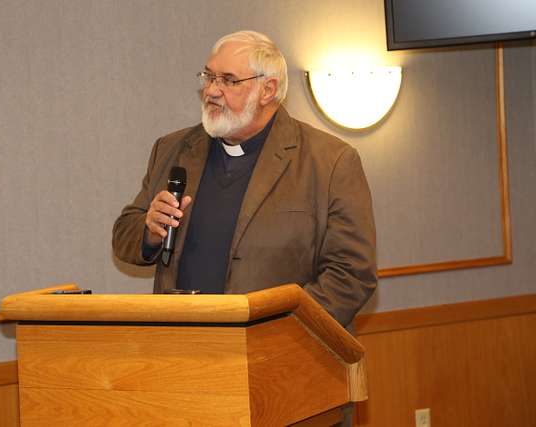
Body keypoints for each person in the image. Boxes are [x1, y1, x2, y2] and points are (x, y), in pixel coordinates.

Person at [113, 29, 376, 427]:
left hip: (290, 381)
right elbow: (125, 235)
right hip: (186, 376)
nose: (212, 91)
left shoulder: (330, 161)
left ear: (268, 89)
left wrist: (270, 340)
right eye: (208, 77)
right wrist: (150, 231)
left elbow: (351, 275)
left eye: (228, 80)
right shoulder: (171, 149)